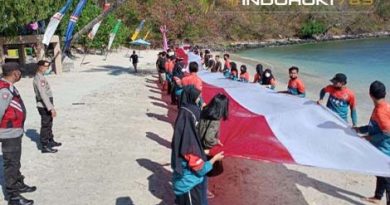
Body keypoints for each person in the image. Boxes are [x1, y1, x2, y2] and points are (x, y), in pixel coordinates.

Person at [171, 86, 224, 205]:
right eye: (196, 122)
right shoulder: (190, 147)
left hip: (182, 183)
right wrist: (215, 159)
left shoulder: (181, 137)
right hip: (189, 186)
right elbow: (201, 170)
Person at [0, 63, 36, 205]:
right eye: (20, 72)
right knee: (11, 164)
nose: (21, 74)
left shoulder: (8, 87)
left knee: (15, 161)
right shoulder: (4, 91)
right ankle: (13, 196)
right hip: (8, 133)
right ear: (15, 73)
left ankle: (19, 183)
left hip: (14, 131)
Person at [355, 81, 390, 205]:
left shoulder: (380, 111)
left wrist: (369, 138)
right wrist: (360, 129)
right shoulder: (384, 106)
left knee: (387, 179)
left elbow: (387, 133)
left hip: (384, 150)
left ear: (370, 94)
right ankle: (377, 197)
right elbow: (375, 126)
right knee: (380, 173)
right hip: (381, 148)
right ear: (384, 94)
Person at [33, 60, 61, 154]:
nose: (46, 68)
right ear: (40, 66)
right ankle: (44, 145)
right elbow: (43, 94)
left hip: (46, 103)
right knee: (45, 125)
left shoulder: (41, 77)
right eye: (45, 66)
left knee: (49, 123)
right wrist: (51, 108)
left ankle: (50, 140)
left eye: (47, 67)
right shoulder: (39, 78)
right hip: (44, 105)